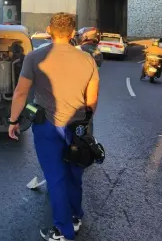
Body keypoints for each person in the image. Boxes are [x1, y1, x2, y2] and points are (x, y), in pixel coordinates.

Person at [8, 13, 100, 241]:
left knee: (56, 177)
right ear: (72, 33)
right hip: (78, 126)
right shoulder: (87, 59)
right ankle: (76, 216)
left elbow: (20, 92)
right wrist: (85, 123)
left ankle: (63, 230)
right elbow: (92, 99)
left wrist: (13, 120)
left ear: (49, 30)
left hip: (48, 126)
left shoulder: (34, 58)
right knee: (74, 173)